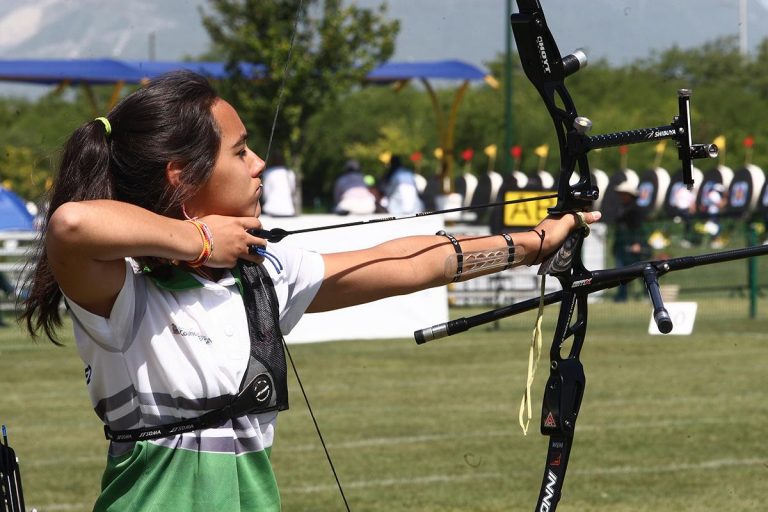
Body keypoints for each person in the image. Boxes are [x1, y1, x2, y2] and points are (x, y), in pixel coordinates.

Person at [20, 71, 600, 512]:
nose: (259, 163)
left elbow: (403, 262)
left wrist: (532, 242)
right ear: (182, 174)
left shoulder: (263, 273)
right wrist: (198, 241)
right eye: (240, 150)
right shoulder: (124, 294)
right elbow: (71, 225)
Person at [612, 181, 649, 302]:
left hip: (634, 245)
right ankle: (622, 296)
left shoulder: (636, 210)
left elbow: (639, 229)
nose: (621, 196)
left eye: (624, 194)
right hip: (621, 245)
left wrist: (637, 243)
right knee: (621, 272)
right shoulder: (620, 209)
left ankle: (647, 294)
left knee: (640, 271)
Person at [260, 149, 297, 217]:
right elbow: (292, 191)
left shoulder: (268, 173)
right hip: (288, 210)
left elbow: (265, 193)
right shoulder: (289, 173)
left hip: (271, 209)